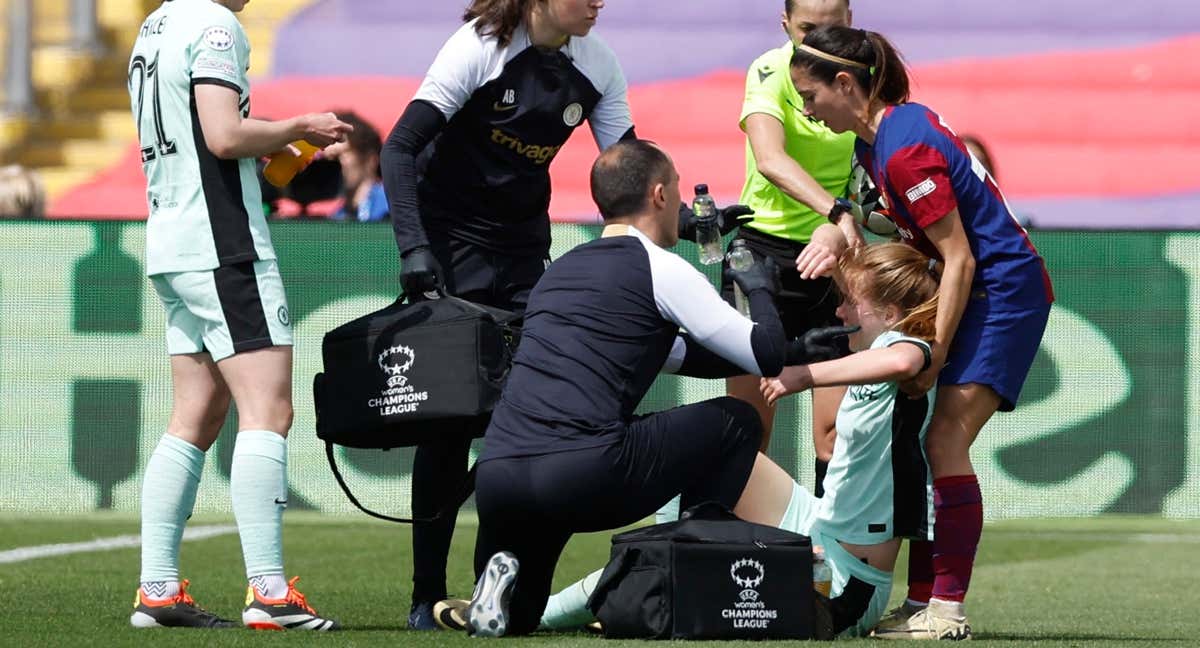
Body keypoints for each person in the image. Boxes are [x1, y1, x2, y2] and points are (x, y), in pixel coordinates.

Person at [380, 0, 755, 629]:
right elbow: (399, 148)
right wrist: (414, 248)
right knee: (447, 428)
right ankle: (426, 595)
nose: (599, 2)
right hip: (448, 252)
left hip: (525, 254)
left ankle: (490, 587)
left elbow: (631, 179)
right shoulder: (477, 46)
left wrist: (694, 224)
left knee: (528, 415)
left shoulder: (599, 64)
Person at [439, 139, 796, 637]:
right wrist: (757, 284)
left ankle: (497, 589)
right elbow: (764, 354)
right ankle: (693, 560)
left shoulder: (560, 271)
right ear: (658, 195)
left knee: (520, 621)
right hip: (582, 474)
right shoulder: (662, 268)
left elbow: (682, 357)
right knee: (735, 421)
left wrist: (804, 352)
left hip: (500, 477)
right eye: (676, 188)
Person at [517, 242, 941, 638]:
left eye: (851, 302)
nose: (841, 311)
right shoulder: (863, 350)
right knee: (692, 446)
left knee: (693, 555)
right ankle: (664, 571)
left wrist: (802, 375)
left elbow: (904, 357)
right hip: (817, 526)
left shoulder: (905, 347)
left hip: (843, 587)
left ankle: (538, 611)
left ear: (888, 313)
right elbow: (829, 439)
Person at [789, 25, 1054, 639]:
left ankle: (946, 612)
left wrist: (932, 351)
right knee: (918, 434)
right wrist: (847, 222)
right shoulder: (884, 139)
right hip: (977, 288)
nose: (806, 109)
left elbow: (959, 258)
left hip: (1000, 294)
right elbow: (902, 218)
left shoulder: (904, 147)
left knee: (945, 442)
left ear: (847, 83)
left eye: (810, 95)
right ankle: (919, 601)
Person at [126, 0, 351, 630]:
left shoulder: (156, 26)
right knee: (269, 409)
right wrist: (299, 122)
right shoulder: (216, 25)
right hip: (222, 244)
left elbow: (208, 145)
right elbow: (223, 136)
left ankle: (158, 591)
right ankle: (269, 593)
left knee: (196, 415)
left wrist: (285, 148)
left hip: (172, 238)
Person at [725, 0, 863, 498]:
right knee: (751, 432)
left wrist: (845, 222)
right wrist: (837, 213)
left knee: (836, 436)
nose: (820, 38)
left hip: (835, 259)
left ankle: (834, 565)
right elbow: (770, 158)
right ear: (785, 25)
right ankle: (749, 564)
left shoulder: (869, 75)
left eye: (833, 26)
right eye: (808, 28)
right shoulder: (768, 71)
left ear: (852, 21)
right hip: (761, 257)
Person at [326, 111, 389, 222]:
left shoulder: (392, 209)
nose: (331, 165)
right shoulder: (335, 216)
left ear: (371, 160)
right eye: (327, 159)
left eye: (338, 156)